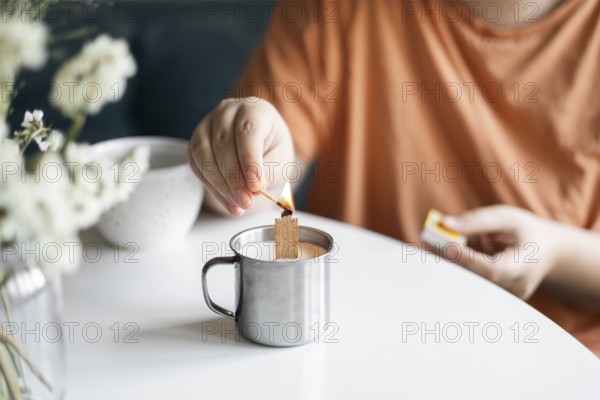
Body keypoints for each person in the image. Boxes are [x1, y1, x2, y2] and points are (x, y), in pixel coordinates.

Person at [189, 0, 600, 354]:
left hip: (560, 353)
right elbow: (260, 185)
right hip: (361, 337)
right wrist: (238, 160)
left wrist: (555, 253)